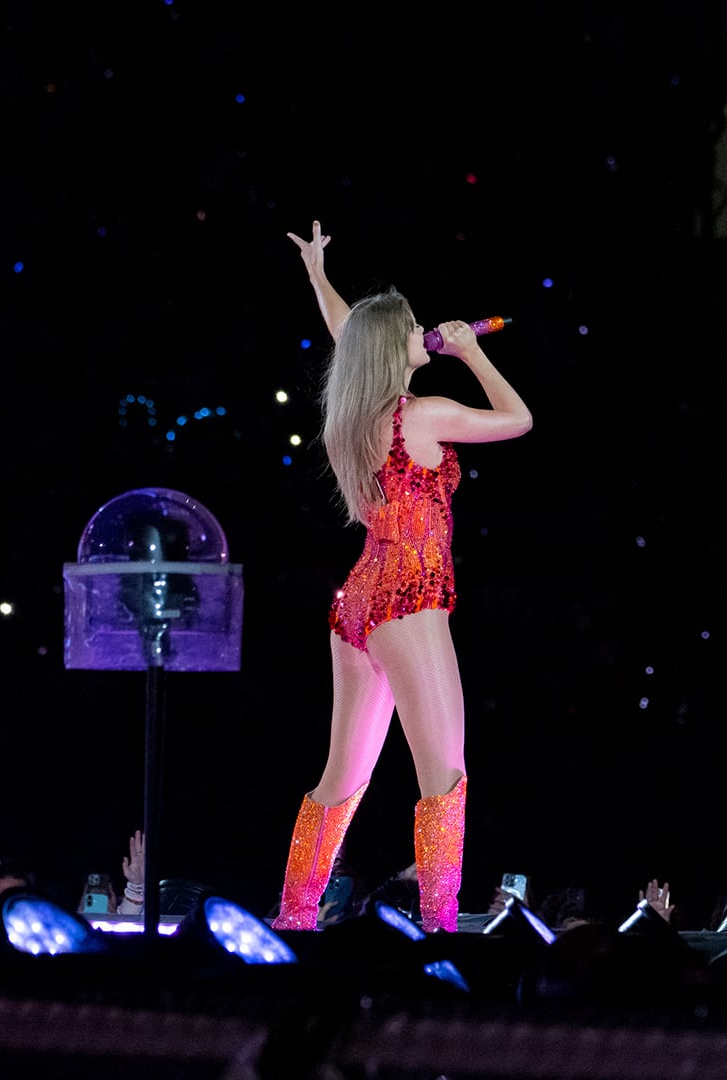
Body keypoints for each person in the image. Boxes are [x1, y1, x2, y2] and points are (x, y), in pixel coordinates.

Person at [272, 220, 532, 933]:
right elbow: (518, 419)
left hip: (355, 604)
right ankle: (440, 928)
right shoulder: (425, 415)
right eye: (415, 326)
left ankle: (295, 917)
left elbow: (345, 334)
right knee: (444, 771)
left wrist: (319, 274)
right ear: (393, 348)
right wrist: (475, 354)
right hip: (410, 602)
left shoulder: (357, 415)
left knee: (342, 778)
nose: (427, 331)